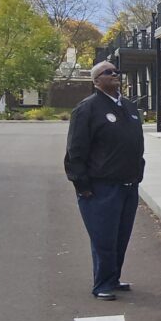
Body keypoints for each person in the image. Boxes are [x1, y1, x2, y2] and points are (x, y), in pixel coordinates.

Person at [64, 61, 146, 300]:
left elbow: (137, 143)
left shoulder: (129, 107)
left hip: (128, 185)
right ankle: (102, 284)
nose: (114, 75)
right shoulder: (87, 109)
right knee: (103, 237)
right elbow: (75, 151)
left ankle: (114, 278)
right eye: (107, 72)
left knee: (120, 236)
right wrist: (82, 185)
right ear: (96, 80)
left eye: (116, 71)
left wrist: (138, 172)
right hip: (101, 187)